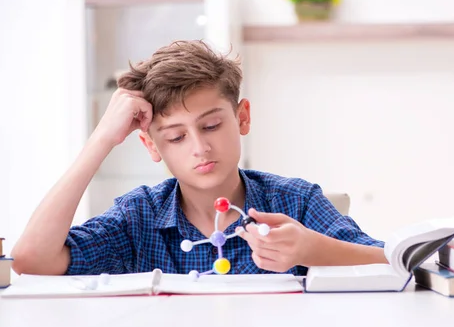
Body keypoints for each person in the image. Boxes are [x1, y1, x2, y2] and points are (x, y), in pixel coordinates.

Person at [11, 40, 386, 277]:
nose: (199, 148)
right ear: (152, 146)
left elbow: (396, 263)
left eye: (210, 126)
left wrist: (312, 250)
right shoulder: (138, 217)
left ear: (242, 118)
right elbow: (31, 260)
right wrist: (101, 141)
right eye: (175, 137)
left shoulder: (295, 201)